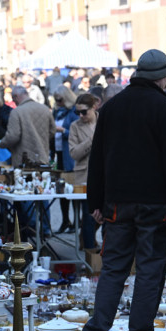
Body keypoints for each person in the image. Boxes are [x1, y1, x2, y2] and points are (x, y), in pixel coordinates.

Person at [81, 49, 166, 331]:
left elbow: (97, 158)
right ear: (163, 77)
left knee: (113, 270)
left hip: (117, 203)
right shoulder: (163, 108)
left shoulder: (113, 107)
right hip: (154, 204)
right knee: (149, 271)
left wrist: (96, 202)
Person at [68, 93, 99, 251]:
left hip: (105, 176)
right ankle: (89, 254)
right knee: (88, 217)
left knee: (105, 217)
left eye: (84, 112)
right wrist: (91, 139)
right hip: (84, 177)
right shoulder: (75, 126)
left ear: (94, 107)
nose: (80, 115)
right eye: (77, 112)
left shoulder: (105, 121)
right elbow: (74, 153)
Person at [0, 85, 54, 166]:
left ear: (16, 96)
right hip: (42, 156)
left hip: (23, 159)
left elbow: (13, 136)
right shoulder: (45, 109)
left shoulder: (16, 112)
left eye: (13, 99)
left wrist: (1, 144)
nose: (13, 101)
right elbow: (52, 130)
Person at [53, 86, 78, 233]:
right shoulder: (58, 112)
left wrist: (63, 131)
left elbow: (77, 132)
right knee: (61, 189)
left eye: (60, 99)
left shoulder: (74, 112)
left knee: (72, 189)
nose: (57, 102)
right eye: (56, 99)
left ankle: (76, 221)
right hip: (59, 152)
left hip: (69, 154)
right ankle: (65, 220)